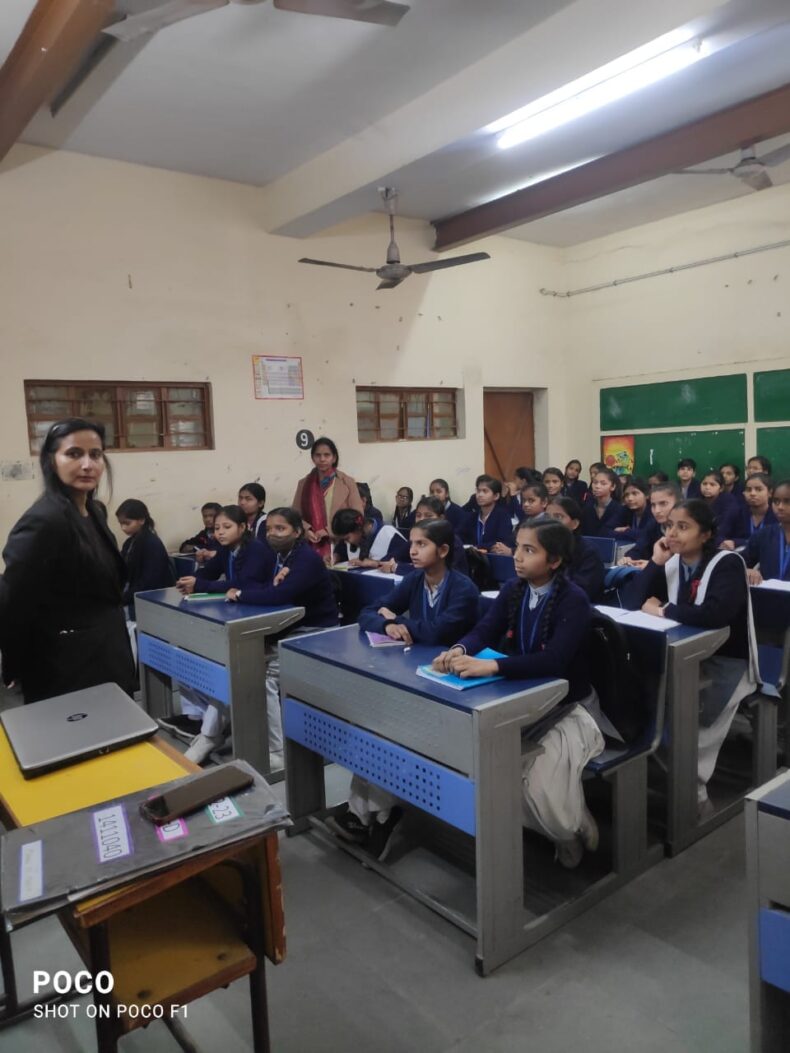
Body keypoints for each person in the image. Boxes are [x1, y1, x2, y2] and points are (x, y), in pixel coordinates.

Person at [433, 518, 606, 869]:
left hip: (567, 707)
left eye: (530, 550)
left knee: (539, 786)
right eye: (517, 547)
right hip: (521, 698)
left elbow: (555, 660)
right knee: (496, 771)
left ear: (554, 560)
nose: (517, 556)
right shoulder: (514, 589)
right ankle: (560, 824)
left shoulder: (574, 600)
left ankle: (570, 828)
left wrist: (494, 667)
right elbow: (484, 629)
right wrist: (459, 649)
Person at [330, 519, 479, 857]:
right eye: (411, 542)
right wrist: (387, 622)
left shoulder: (463, 588)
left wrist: (400, 621)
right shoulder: (414, 580)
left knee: (388, 732)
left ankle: (375, 813)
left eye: (422, 544)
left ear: (443, 550)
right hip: (417, 673)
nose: (412, 550)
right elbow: (366, 613)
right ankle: (368, 812)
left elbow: (439, 632)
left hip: (453, 686)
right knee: (371, 727)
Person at [624, 499, 759, 813]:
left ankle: (693, 792)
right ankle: (682, 780)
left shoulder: (727, 563)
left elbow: (716, 614)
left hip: (727, 660)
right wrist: (656, 561)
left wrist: (663, 610)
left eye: (682, 527)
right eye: (669, 526)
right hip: (682, 655)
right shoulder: (672, 562)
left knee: (694, 726)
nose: (672, 533)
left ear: (705, 534)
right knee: (652, 710)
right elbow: (633, 602)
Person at [175, 506, 338, 765]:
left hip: (315, 634)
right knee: (236, 664)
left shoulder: (305, 558)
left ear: (297, 532)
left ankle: (276, 752)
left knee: (262, 676)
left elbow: (277, 595)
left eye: (280, 529)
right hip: (286, 628)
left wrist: (241, 594)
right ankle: (210, 734)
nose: (273, 534)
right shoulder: (281, 556)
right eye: (270, 529)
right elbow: (266, 587)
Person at [0, 418, 135, 703]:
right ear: (52, 460)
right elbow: (14, 600)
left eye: (95, 454)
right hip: (66, 669)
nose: (88, 464)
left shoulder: (94, 511)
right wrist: (13, 661)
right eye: (74, 454)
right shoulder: (43, 521)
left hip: (108, 655)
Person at [293, 436, 365, 561]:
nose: (322, 459)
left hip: (340, 545)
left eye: (327, 455)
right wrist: (307, 530)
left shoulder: (347, 482)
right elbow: (295, 515)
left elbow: (357, 515)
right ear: (313, 458)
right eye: (318, 455)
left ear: (334, 458)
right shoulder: (303, 484)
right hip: (309, 544)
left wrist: (328, 530)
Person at [380, 496, 469, 577]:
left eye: (428, 516)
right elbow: (389, 558)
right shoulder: (416, 540)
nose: (422, 519)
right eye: (418, 515)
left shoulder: (452, 541)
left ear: (441, 518)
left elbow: (437, 572)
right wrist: (388, 563)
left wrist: (397, 567)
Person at [116, 499, 175, 616]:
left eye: (127, 523)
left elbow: (149, 583)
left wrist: (122, 599)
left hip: (151, 599)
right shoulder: (129, 542)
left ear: (142, 520)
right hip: (135, 594)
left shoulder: (151, 544)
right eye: (120, 523)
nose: (123, 528)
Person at [545, 498, 605, 601]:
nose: (550, 522)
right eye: (547, 517)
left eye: (558, 517)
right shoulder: (543, 547)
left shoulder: (588, 552)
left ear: (575, 524)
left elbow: (580, 592)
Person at [618, 483, 679, 567]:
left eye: (663, 504)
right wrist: (629, 558)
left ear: (679, 504)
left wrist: (652, 565)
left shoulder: (686, 530)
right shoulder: (653, 524)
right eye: (653, 505)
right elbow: (639, 548)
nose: (657, 510)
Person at [743, 480, 790, 584]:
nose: (780, 507)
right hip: (768, 596)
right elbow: (740, 561)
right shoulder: (764, 534)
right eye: (776, 501)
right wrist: (747, 570)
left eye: (787, 501)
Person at [460, 475, 515, 553]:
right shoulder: (472, 516)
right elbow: (459, 535)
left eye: (485, 491)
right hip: (474, 559)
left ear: (496, 496)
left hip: (493, 559)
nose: (480, 495)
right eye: (478, 491)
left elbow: (500, 544)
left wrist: (475, 547)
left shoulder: (503, 516)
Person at [724, 473, 777, 546]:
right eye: (748, 490)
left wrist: (738, 542)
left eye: (759, 489)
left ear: (770, 493)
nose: (752, 493)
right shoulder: (736, 512)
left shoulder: (778, 514)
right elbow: (720, 536)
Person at [581, 468, 627, 536]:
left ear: (613, 487)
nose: (597, 486)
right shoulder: (587, 507)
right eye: (595, 482)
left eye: (603, 483)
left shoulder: (620, 509)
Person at [699, 470, 739, 546]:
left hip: (726, 541)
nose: (707, 487)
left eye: (712, 485)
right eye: (704, 484)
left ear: (721, 488)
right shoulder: (697, 500)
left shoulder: (729, 502)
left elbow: (723, 528)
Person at [614, 477, 654, 542]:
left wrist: (626, 531)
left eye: (635, 494)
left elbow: (648, 535)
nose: (630, 498)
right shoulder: (625, 509)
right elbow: (606, 531)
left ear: (647, 495)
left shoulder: (653, 511)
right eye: (626, 495)